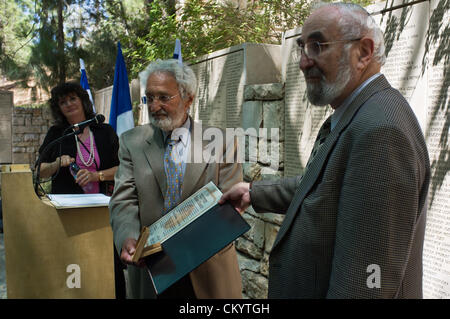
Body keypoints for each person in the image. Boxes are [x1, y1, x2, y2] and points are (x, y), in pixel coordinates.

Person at [219, 2, 430, 298]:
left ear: (364, 52)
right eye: (302, 48)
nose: (304, 61)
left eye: (318, 45)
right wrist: (253, 193)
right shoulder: (358, 114)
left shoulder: (380, 132)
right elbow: (323, 187)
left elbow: (368, 283)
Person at [109, 59, 243, 299]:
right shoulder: (131, 142)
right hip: (151, 272)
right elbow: (123, 201)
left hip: (209, 272)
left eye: (163, 97)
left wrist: (183, 250)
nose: (154, 106)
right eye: (149, 98)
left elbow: (231, 208)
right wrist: (127, 237)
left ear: (188, 98)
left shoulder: (222, 142)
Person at [38, 82, 126, 299]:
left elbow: (123, 168)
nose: (68, 104)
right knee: (74, 265)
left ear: (82, 101)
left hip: (104, 213)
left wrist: (97, 175)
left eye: (72, 99)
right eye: (62, 102)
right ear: (58, 108)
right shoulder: (56, 133)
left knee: (108, 267)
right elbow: (39, 171)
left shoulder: (104, 130)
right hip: (70, 216)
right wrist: (57, 162)